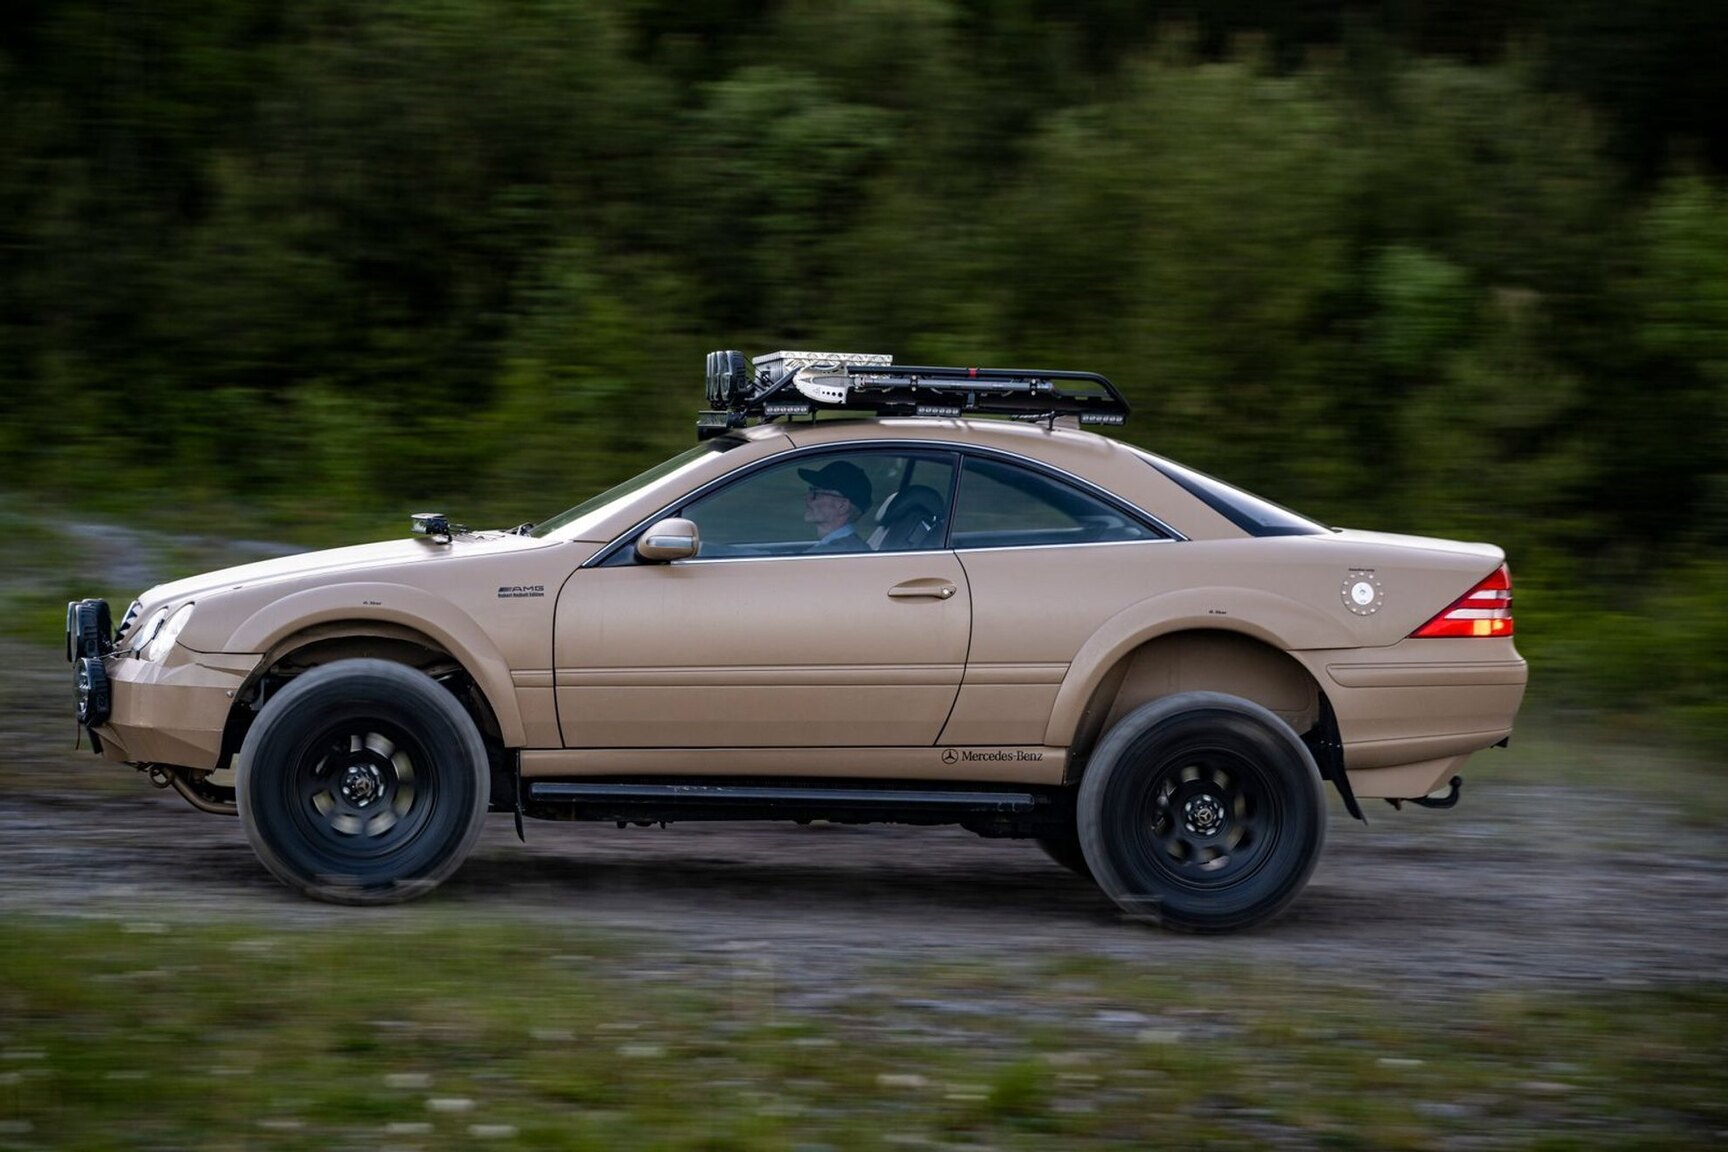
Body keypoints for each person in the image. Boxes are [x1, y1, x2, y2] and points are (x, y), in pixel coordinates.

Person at [798, 461, 873, 553]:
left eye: (816, 493)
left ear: (842, 506)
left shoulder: (831, 553)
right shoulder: (849, 547)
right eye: (810, 490)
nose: (807, 498)